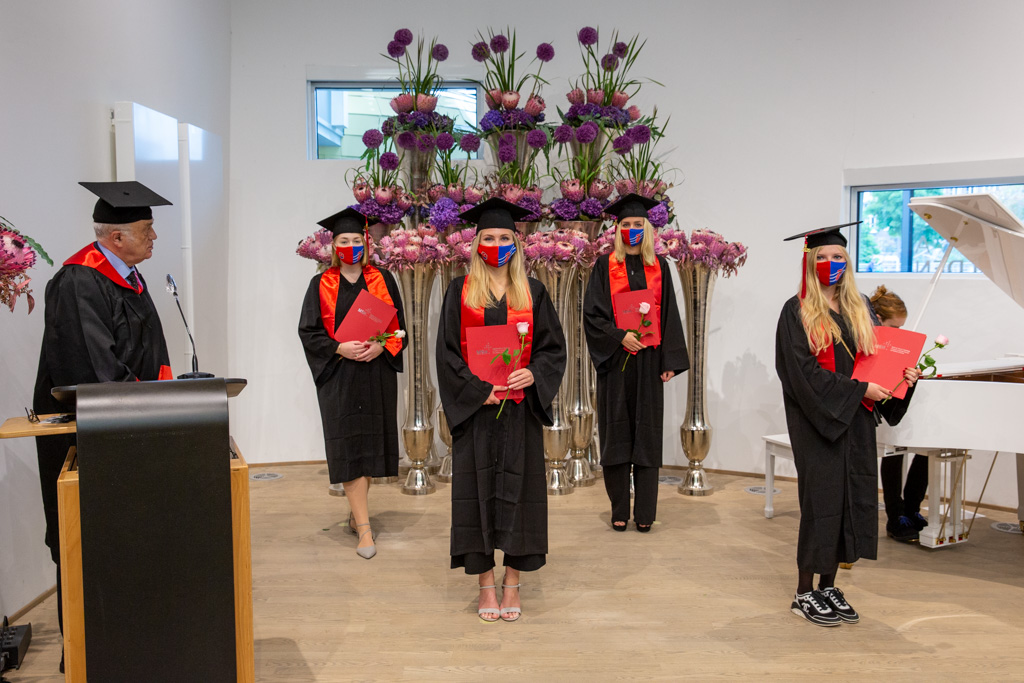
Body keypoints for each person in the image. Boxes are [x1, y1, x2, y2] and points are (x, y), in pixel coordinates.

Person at [32, 181, 174, 672]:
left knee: (126, 544)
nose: (154, 237)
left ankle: (130, 649)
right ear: (116, 238)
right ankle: (87, 658)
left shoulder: (131, 278)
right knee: (87, 545)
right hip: (91, 440)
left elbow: (150, 355)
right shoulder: (79, 280)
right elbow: (92, 371)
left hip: (130, 432)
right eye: (146, 229)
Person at [775, 223, 921, 627]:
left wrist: (902, 379)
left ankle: (828, 585)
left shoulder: (862, 309)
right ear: (810, 262)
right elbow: (799, 374)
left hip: (855, 420)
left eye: (838, 256)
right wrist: (859, 390)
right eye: (822, 257)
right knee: (821, 504)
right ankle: (803, 592)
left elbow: (877, 364)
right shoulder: (796, 311)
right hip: (817, 422)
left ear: (848, 261)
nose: (831, 263)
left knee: (848, 503)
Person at [436, 197, 566, 622]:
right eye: (488, 238)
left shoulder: (534, 291)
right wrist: (478, 391)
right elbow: (447, 354)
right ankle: (485, 585)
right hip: (478, 411)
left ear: (517, 242)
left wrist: (534, 374)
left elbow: (552, 349)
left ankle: (512, 582)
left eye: (504, 237)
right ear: (477, 245)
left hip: (519, 411)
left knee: (520, 497)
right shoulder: (459, 291)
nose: (496, 245)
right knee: (475, 497)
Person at [298, 207, 406, 560]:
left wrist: (382, 346)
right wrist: (338, 348)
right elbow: (309, 332)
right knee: (348, 447)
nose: (351, 247)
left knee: (368, 446)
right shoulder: (320, 284)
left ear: (366, 243)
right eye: (344, 241)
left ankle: (357, 513)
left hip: (375, 374)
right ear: (334, 246)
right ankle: (364, 527)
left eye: (356, 240)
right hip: (339, 376)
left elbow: (400, 329)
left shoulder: (383, 279)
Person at [583, 194, 689, 532]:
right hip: (616, 361)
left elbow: (669, 314)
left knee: (647, 433)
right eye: (626, 224)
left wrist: (670, 359)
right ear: (617, 229)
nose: (631, 229)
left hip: (650, 359)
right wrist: (618, 337)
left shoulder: (660, 267)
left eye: (637, 224)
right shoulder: (604, 266)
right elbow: (592, 315)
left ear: (647, 228)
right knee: (616, 433)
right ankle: (618, 508)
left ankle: (645, 512)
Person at [870, 285, 928, 543]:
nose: (898, 333)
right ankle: (895, 515)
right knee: (893, 452)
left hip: (893, 402)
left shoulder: (895, 343)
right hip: (874, 405)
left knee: (925, 449)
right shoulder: (866, 339)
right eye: (894, 328)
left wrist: (910, 374)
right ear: (878, 319)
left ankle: (911, 508)